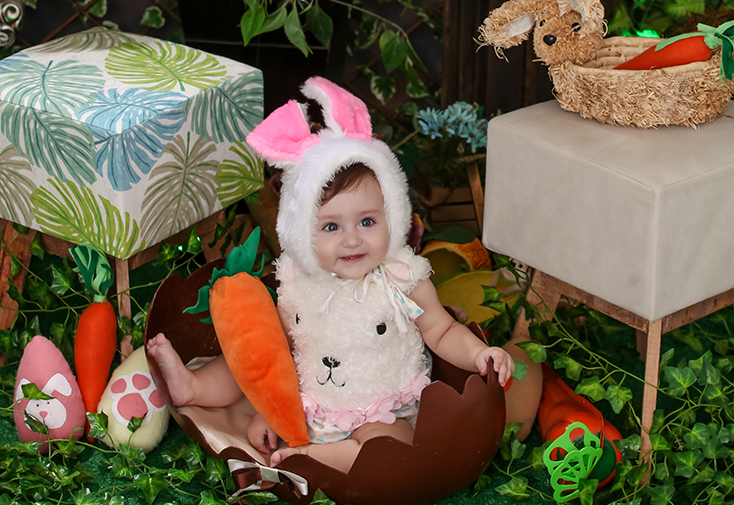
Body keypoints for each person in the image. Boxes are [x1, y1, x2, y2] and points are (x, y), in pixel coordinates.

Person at [148, 77, 513, 475]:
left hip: (380, 413)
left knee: (389, 446)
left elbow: (440, 332)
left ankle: (313, 459)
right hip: (311, 406)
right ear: (302, 231)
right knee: (249, 357)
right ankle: (194, 387)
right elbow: (281, 355)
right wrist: (271, 409)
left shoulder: (401, 278)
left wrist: (478, 354)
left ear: (393, 216)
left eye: (367, 221)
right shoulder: (298, 283)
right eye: (331, 227)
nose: (352, 239)